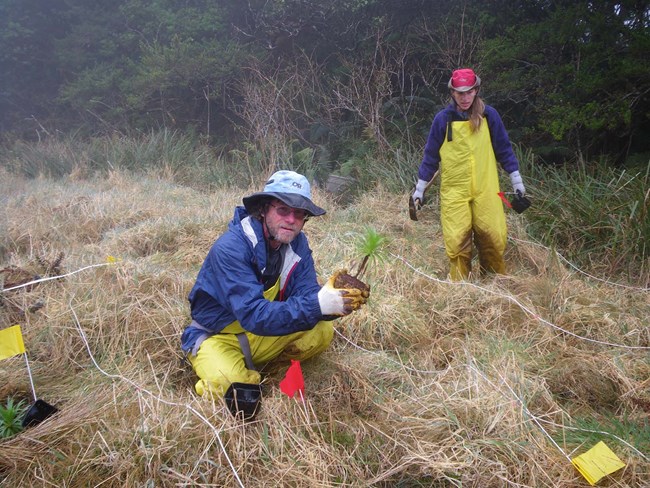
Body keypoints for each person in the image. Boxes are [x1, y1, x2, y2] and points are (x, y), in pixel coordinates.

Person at [181, 170, 368, 411]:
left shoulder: (297, 243)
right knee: (231, 387)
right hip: (218, 337)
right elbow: (253, 315)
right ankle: (232, 371)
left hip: (262, 334)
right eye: (283, 210)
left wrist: (337, 301)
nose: (291, 219)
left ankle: (270, 368)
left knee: (322, 330)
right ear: (263, 210)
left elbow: (305, 294)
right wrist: (318, 304)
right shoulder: (231, 248)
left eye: (299, 213)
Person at [412, 68, 527, 280]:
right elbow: (430, 157)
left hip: (487, 189)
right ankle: (461, 288)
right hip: (454, 191)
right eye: (459, 93)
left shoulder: (489, 115)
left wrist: (516, 179)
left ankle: (495, 285)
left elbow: (504, 149)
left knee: (493, 237)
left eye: (469, 92)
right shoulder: (442, 120)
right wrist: (419, 189)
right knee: (457, 240)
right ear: (452, 93)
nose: (464, 98)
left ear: (476, 90)